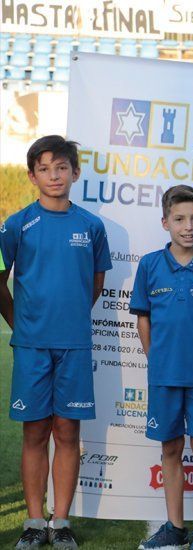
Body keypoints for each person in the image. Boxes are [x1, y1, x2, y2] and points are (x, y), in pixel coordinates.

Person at [0, 135, 112, 550]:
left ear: (75, 173)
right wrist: (20, 323)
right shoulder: (16, 224)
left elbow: (96, 283)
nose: (53, 175)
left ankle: (60, 521)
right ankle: (33, 521)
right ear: (32, 176)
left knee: (67, 431)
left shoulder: (91, 226)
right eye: (44, 169)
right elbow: (0, 280)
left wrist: (70, 320)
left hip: (75, 346)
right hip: (31, 347)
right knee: (35, 432)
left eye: (61, 167)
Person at [131, 185, 193, 550]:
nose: (188, 227)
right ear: (165, 222)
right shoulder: (150, 265)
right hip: (164, 377)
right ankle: (175, 526)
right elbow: (143, 321)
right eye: (180, 219)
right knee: (170, 448)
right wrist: (158, 362)